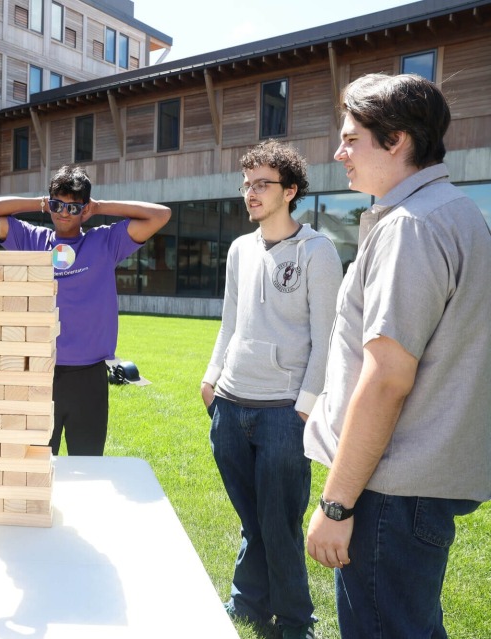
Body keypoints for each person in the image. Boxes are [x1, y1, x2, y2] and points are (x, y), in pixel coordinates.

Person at [304, 73, 491, 638]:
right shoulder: (455, 213)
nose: (339, 154)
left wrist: (336, 506)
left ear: (398, 140)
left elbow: (387, 378)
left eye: (351, 138)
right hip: (413, 489)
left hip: (388, 492)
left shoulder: (411, 226)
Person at [200, 140, 342, 639]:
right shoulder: (240, 249)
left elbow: (328, 336)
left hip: (284, 411)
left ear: (291, 191)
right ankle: (249, 602)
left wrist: (306, 405)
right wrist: (212, 376)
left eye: (263, 184)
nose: (251, 193)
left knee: (278, 521)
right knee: (252, 516)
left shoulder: (317, 252)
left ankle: (295, 618)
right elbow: (229, 321)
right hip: (231, 404)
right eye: (247, 184)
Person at [0, 165, 171, 456]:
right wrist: (38, 203)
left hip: (89, 376)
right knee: (36, 465)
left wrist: (100, 206)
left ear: (85, 208)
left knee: (88, 466)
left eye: (73, 206)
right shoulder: (32, 239)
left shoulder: (105, 241)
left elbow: (161, 215)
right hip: (39, 373)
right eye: (57, 204)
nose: (63, 213)